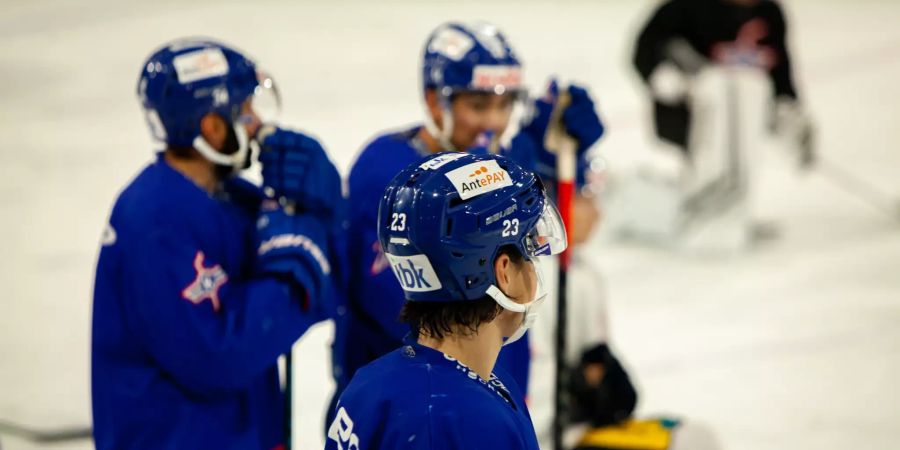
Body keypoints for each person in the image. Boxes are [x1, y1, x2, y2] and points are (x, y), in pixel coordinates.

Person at [330, 21, 605, 416]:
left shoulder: (492, 167)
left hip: (483, 393)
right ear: (434, 100)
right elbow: (408, 315)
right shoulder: (390, 172)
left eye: (504, 104)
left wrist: (561, 163)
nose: (493, 122)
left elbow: (583, 223)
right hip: (409, 408)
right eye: (477, 105)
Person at [91, 38, 342, 449]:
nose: (256, 121)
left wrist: (325, 212)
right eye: (243, 111)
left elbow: (327, 292)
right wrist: (297, 255)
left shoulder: (230, 198)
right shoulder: (153, 221)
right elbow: (216, 357)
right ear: (211, 125)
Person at [326, 152, 568, 450]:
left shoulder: (370, 384)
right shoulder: (464, 420)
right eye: (529, 249)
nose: (534, 265)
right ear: (503, 272)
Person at [611, 0, 814, 251]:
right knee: (710, 153)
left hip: (744, 117)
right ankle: (704, 212)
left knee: (743, 110)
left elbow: (780, 71)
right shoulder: (685, 8)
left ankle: (732, 210)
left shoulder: (769, 13)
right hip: (689, 114)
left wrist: (787, 109)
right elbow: (644, 51)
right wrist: (662, 77)